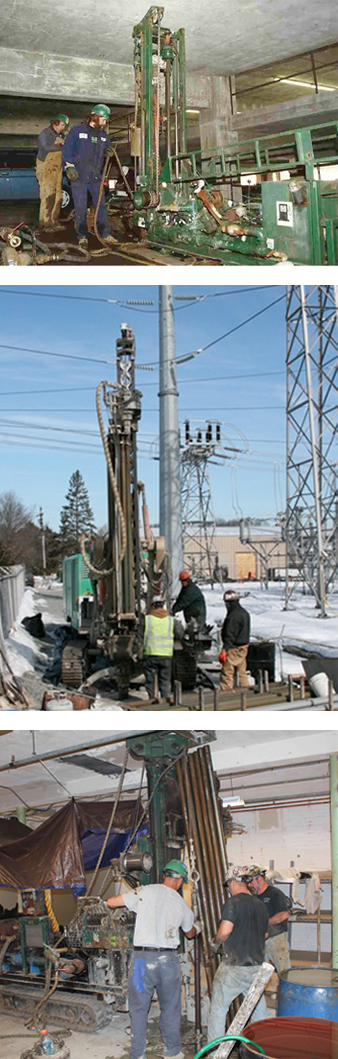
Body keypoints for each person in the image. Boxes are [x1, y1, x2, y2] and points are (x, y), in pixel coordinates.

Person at [106, 860, 197, 1059]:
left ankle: (137, 1054)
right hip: (168, 962)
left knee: (138, 1009)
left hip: (141, 961)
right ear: (180, 880)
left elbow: (111, 902)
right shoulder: (182, 904)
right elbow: (190, 933)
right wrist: (198, 928)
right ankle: (172, 1052)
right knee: (171, 1008)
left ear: (164, 875)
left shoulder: (144, 891)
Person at [207, 865, 269, 1046]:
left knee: (218, 1009)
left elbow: (225, 932)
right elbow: (265, 934)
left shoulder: (233, 902)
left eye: (228, 885)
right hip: (257, 966)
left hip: (235, 966)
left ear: (233, 882)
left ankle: (215, 1053)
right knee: (257, 1010)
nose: (229, 888)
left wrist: (216, 942)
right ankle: (259, 1050)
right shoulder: (260, 904)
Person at [62, 103, 117, 249]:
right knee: (80, 207)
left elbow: (106, 150)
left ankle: (105, 234)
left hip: (95, 178)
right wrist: (68, 167)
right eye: (103, 118)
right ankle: (82, 236)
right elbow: (66, 151)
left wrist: (108, 153)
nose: (105, 122)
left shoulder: (104, 136)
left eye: (106, 119)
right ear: (94, 116)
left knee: (101, 206)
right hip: (78, 177)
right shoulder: (76, 131)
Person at [244, 865, 291, 973]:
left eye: (251, 882)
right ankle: (261, 990)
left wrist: (264, 922)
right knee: (259, 973)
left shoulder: (275, 894)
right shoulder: (254, 898)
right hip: (260, 941)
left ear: (259, 878)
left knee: (284, 972)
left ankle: (288, 990)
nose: (250, 886)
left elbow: (284, 914)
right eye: (248, 884)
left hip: (276, 940)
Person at [36, 114, 70, 229]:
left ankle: (54, 221)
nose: (64, 127)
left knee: (58, 196)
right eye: (62, 125)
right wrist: (62, 145)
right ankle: (45, 223)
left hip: (57, 168)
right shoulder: (45, 133)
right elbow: (46, 147)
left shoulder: (60, 135)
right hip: (46, 167)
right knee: (48, 195)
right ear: (55, 123)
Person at [143, 596, 174, 703]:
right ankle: (166, 702)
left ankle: (152, 702)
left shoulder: (147, 619)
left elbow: (139, 637)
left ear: (153, 606)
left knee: (151, 682)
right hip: (166, 657)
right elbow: (179, 633)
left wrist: (136, 651)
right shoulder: (171, 620)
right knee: (165, 681)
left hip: (151, 655)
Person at [219, 590, 250, 692]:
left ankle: (226, 694)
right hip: (243, 647)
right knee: (242, 673)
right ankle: (246, 693)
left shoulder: (233, 616)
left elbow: (230, 635)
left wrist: (225, 649)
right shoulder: (244, 613)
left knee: (227, 673)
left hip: (233, 648)